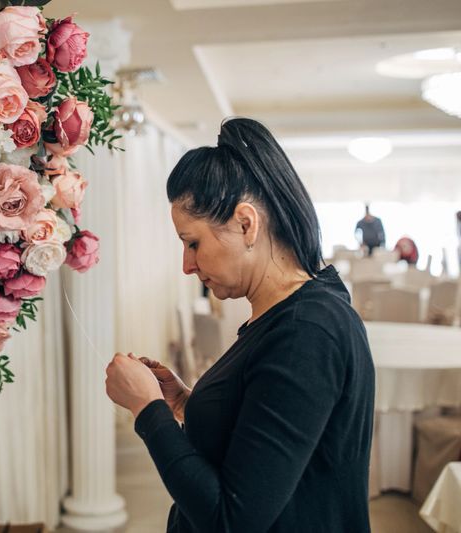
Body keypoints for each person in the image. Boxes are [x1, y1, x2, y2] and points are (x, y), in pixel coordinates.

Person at [104, 118, 375, 533]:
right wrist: (185, 403)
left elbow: (231, 521)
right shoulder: (288, 315)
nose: (187, 265)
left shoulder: (306, 331)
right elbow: (265, 438)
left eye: (193, 243)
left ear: (246, 224)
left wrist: (148, 410)